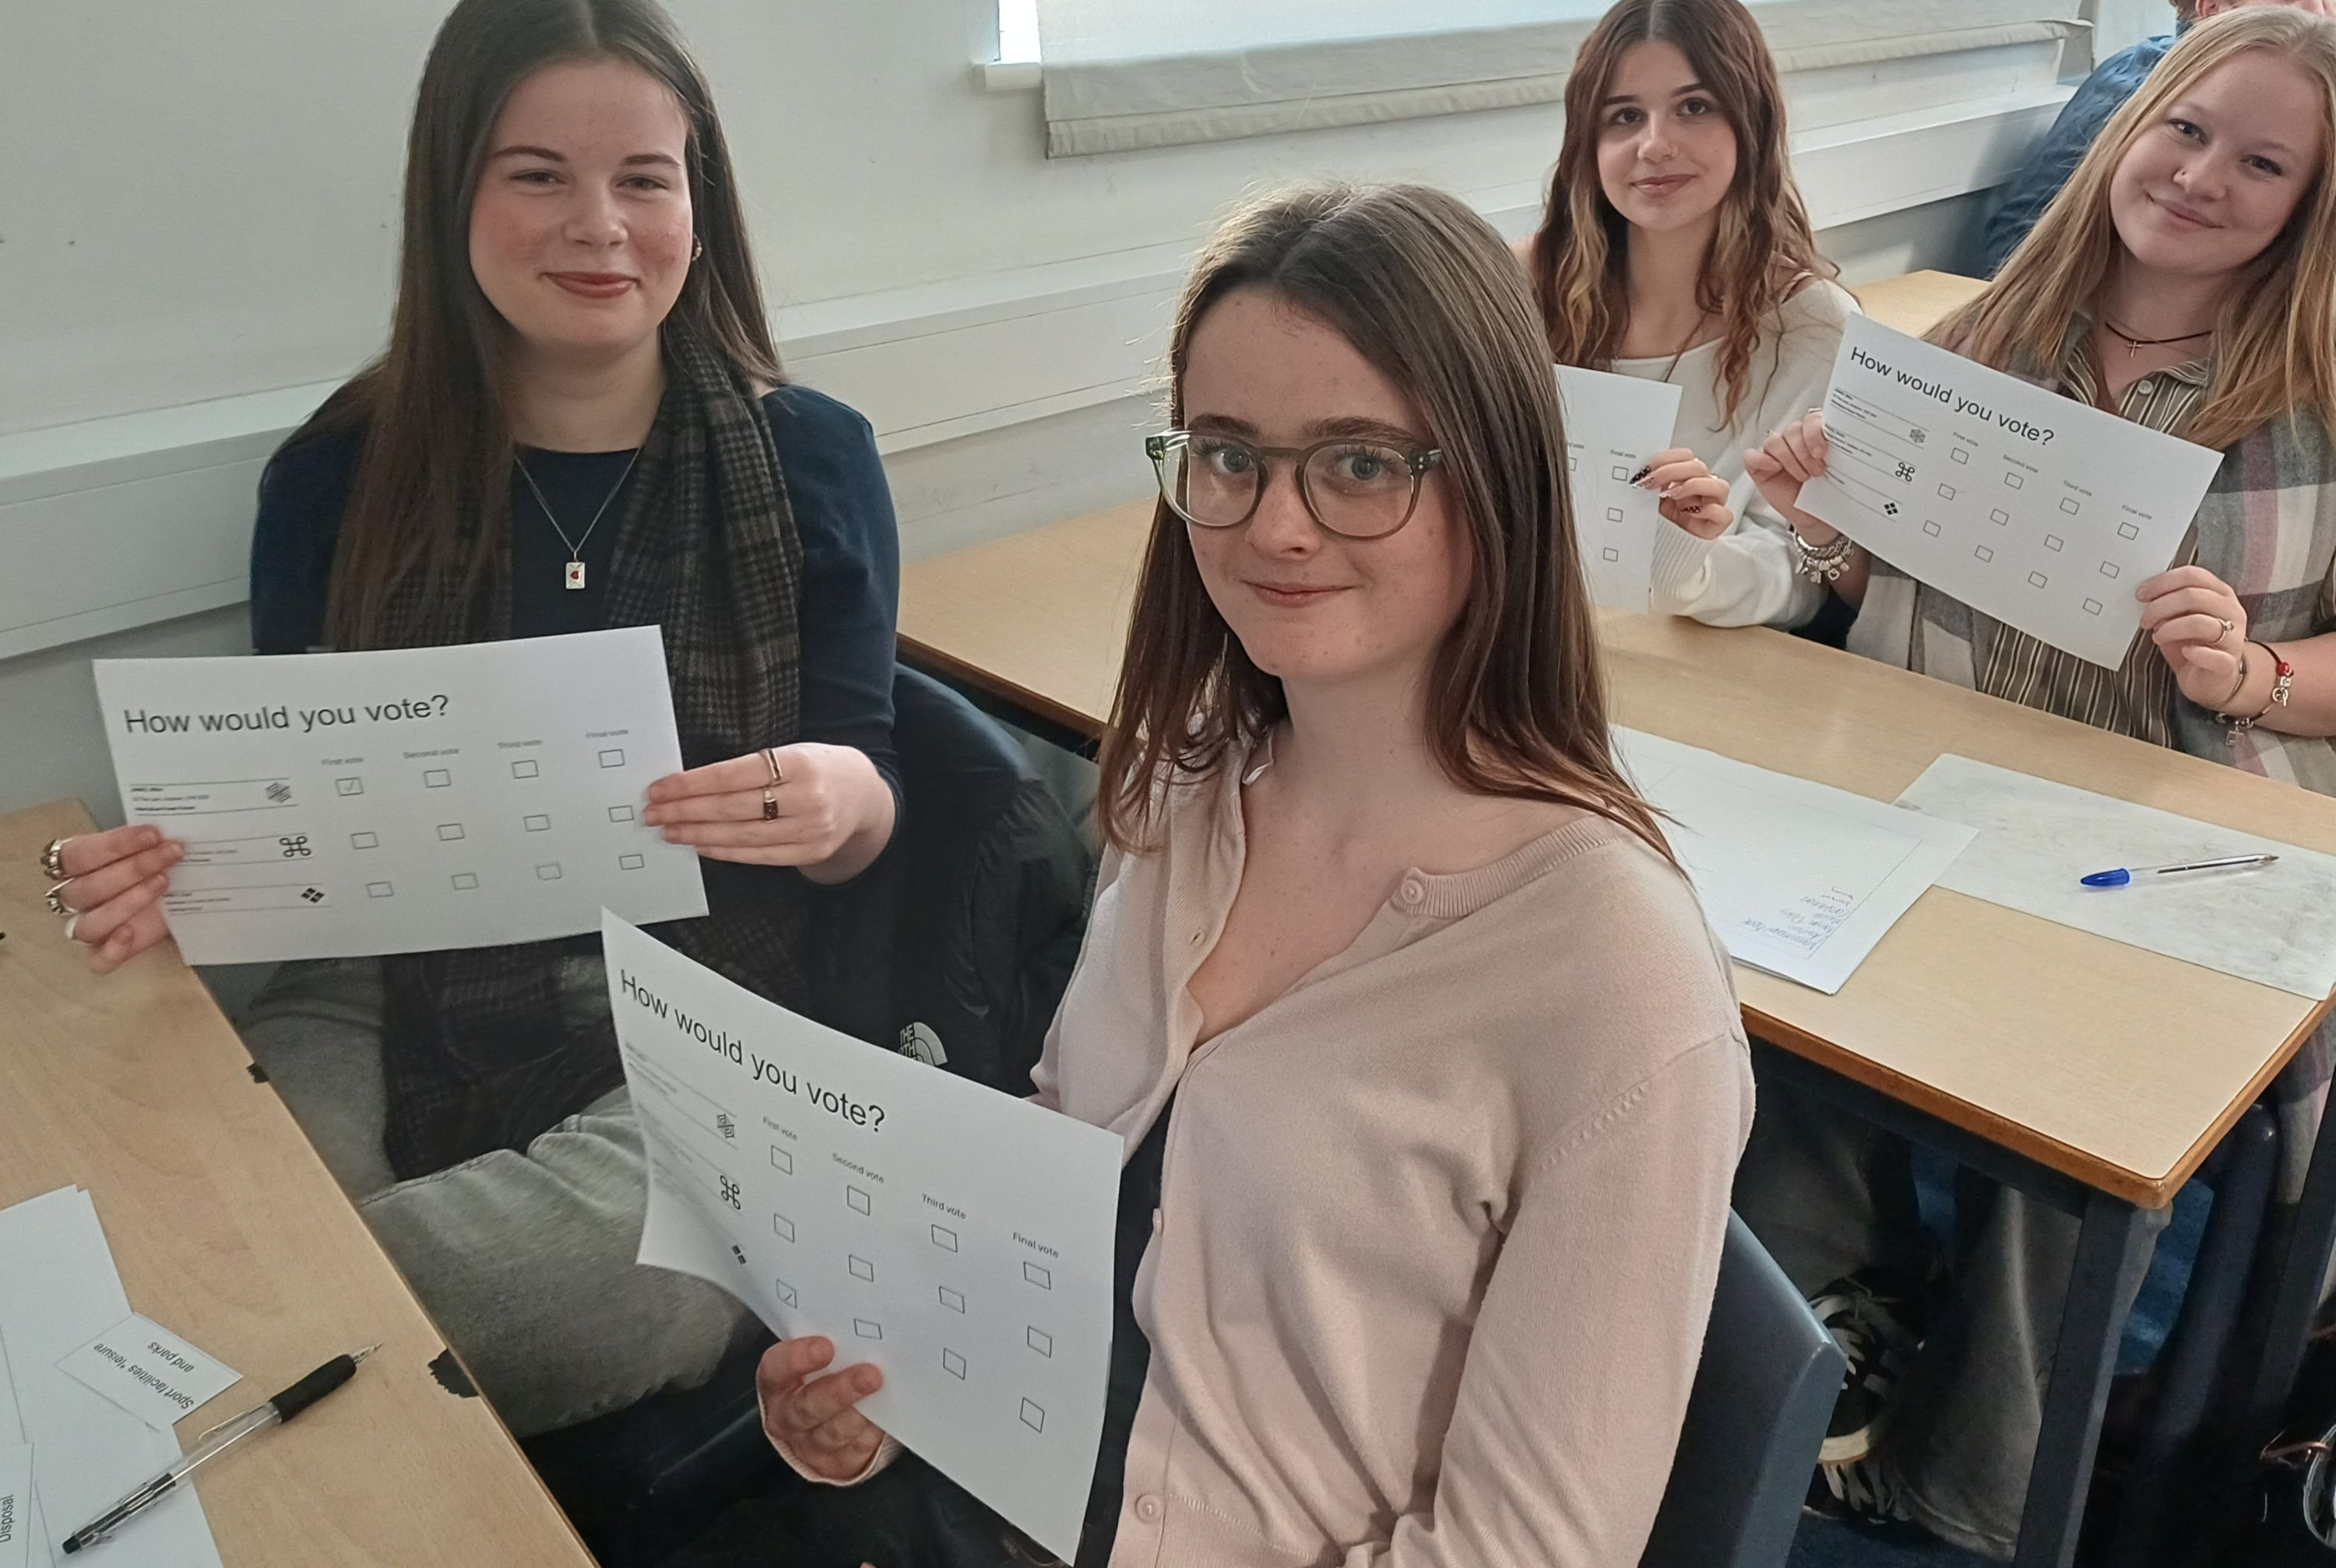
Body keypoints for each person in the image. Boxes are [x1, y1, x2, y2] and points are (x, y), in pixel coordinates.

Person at [752, 183, 1754, 1567]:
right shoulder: (1191, 782)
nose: (1275, 526)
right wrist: (896, 1381)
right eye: (1227, 455)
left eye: (1359, 463)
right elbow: (1063, 1164)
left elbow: (1525, 1545)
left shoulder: (1615, 975)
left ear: (1498, 477)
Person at [39, 0, 902, 1437]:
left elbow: (865, 813)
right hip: (383, 979)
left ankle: (218, 1348)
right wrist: (176, 876)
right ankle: (273, 1355)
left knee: (634, 1289)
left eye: (645, 178)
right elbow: (296, 835)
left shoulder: (813, 458)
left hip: (703, 993)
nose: (599, 225)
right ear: (453, 191)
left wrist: (833, 797)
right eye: (536, 174)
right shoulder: (334, 472)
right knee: (209, 1164)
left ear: (701, 200)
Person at [1740, 9, 2336, 1552]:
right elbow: (1857, 571)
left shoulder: (2320, 392)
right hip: (1936, 778)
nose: (2202, 177)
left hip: (2177, 833)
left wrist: (2255, 670)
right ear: (2132, 130)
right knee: (1794, 1030)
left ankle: (1966, 1493)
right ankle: (1800, 1352)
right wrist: (1812, 513)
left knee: (2061, 1133)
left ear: (2311, 199)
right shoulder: (1981, 339)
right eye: (2186, 130)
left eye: (2264, 161)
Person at [1519, 0, 1856, 631]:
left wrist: (1686, 564)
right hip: (1520, 643)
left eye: (1694, 107)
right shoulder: (1515, 292)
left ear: (1749, 123)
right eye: (1624, 117)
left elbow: (1801, 570)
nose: (1655, 145)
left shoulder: (1814, 327)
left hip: (1692, 666)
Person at [1979, 0, 2332, 277]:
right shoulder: (2139, 84)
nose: (2316, 12)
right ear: (2212, 9)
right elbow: (2021, 242)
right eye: (2186, 130)